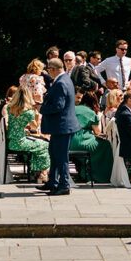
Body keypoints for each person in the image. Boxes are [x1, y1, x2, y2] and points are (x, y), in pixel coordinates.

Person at [38, 58, 79, 196]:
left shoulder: (61, 82)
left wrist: (41, 108)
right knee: (54, 155)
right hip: (61, 126)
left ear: (53, 69)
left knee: (61, 157)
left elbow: (58, 106)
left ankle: (64, 185)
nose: (48, 72)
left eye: (49, 70)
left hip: (63, 126)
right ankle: (52, 182)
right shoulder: (65, 79)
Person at [6, 87, 50, 181]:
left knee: (37, 146)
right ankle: (43, 172)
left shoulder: (9, 108)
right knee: (45, 144)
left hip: (11, 142)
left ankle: (36, 172)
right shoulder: (28, 112)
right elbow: (34, 127)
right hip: (20, 142)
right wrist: (37, 115)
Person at [69, 90, 112, 183]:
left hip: (68, 142)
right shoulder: (91, 113)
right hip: (83, 141)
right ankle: (97, 175)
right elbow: (97, 132)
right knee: (105, 146)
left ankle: (83, 172)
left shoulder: (72, 109)